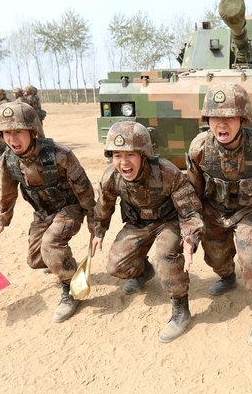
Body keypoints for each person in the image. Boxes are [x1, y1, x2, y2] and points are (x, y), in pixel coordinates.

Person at [186, 82, 252, 347]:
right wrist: (190, 230)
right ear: (207, 119)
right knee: (216, 258)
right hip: (214, 212)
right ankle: (226, 277)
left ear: (242, 118)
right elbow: (192, 193)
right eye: (215, 117)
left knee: (249, 257)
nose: (222, 125)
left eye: (230, 117)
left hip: (249, 211)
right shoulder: (199, 147)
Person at [92, 121, 203, 343]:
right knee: (115, 265)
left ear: (144, 154)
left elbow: (190, 212)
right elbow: (104, 206)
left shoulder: (167, 173)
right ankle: (143, 272)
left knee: (164, 256)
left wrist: (190, 238)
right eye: (116, 155)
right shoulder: (110, 177)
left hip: (168, 222)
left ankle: (181, 309)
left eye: (131, 154)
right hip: (138, 224)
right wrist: (99, 230)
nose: (123, 163)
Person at [0, 101, 96, 323]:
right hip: (43, 212)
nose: (12, 139)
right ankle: (59, 261)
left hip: (69, 208)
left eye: (18, 132)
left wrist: (93, 219)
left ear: (33, 131)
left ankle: (70, 291)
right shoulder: (8, 161)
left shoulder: (60, 154)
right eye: (7, 133)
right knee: (35, 260)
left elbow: (83, 187)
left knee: (51, 244)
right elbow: (7, 192)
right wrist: (2, 221)